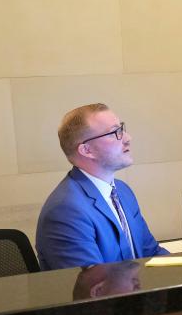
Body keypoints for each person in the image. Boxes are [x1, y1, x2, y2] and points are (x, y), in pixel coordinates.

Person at [36, 103, 168, 270]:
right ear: (86, 150)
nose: (128, 138)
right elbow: (93, 287)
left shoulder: (122, 190)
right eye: (114, 133)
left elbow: (151, 253)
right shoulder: (65, 210)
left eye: (121, 128)